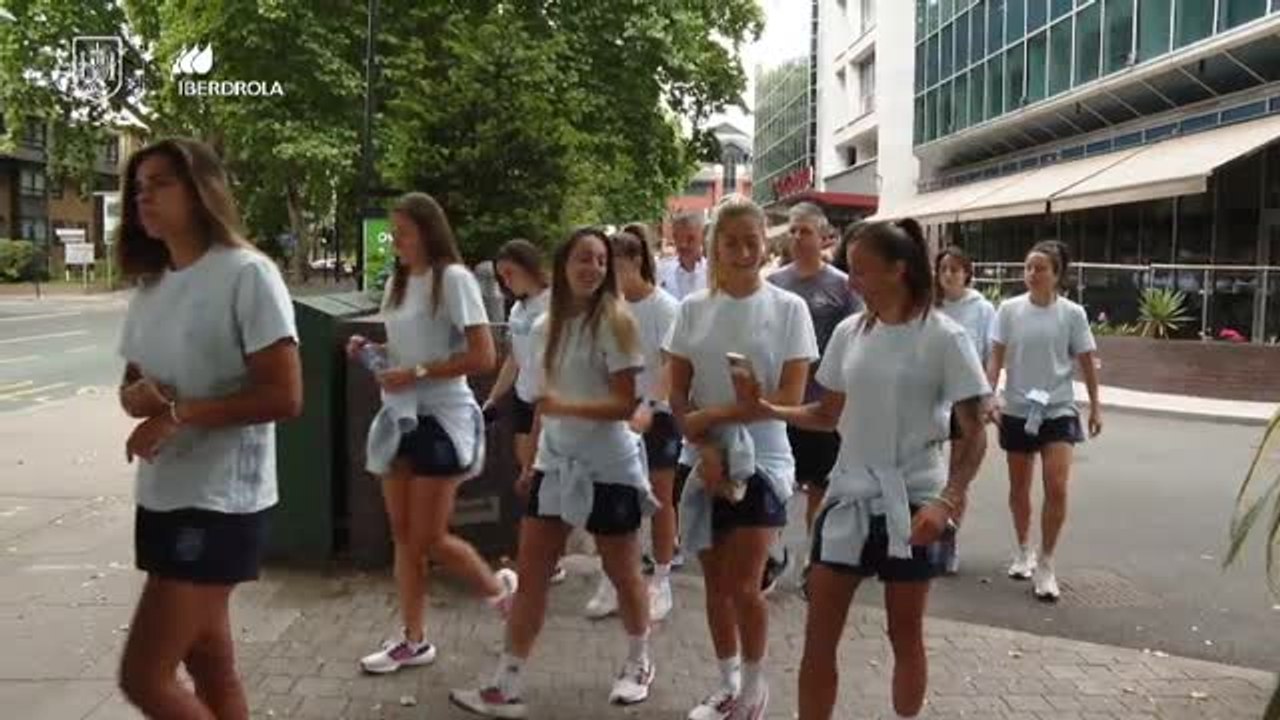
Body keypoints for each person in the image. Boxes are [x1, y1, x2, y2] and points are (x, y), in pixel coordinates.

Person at [758, 219, 989, 720]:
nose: (851, 280)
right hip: (848, 498)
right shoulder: (849, 332)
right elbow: (826, 414)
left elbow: (974, 433)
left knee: (904, 634)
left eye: (861, 270)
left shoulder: (946, 337)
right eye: (850, 270)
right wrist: (767, 409)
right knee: (818, 637)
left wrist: (946, 500)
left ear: (898, 270)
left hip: (912, 502)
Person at [114, 138, 303, 719]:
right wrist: (141, 399)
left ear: (202, 191)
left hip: (220, 501)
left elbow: (284, 395)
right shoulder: (152, 286)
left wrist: (179, 413)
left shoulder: (247, 274)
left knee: (145, 677)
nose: (145, 196)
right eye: (138, 187)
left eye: (161, 183)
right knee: (209, 662)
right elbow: (132, 389)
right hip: (165, 494)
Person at [451, 228, 658, 717]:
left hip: (609, 467)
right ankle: (507, 682)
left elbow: (625, 404)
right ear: (564, 265)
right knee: (533, 573)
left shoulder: (617, 322)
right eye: (584, 259)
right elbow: (542, 400)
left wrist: (567, 407)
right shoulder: (543, 327)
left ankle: (638, 661)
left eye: (602, 261)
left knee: (624, 571)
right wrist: (534, 460)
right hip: (555, 465)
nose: (594, 268)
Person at [348, 193, 518, 674]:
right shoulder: (399, 284)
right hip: (400, 414)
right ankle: (413, 638)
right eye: (393, 231)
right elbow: (403, 346)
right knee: (403, 536)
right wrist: (372, 350)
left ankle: (495, 588)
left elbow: (484, 355)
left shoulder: (454, 280)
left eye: (402, 231)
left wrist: (417, 373)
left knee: (427, 535)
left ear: (427, 231)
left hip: (442, 418)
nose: (395, 240)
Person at [665, 196, 817, 720]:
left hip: (766, 459)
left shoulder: (788, 309)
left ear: (765, 244)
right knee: (712, 584)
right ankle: (727, 681)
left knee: (743, 583)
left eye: (752, 241)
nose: (743, 251)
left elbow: (791, 400)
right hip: (701, 458)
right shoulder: (691, 310)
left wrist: (718, 416)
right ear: (715, 246)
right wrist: (704, 440)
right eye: (731, 242)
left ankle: (755, 686)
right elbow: (677, 399)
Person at [987, 240, 1102, 602]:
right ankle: (1024, 549)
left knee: (1057, 485)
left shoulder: (1072, 314)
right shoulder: (1008, 310)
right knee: (1019, 488)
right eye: (1028, 268)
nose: (1032, 274)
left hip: (1058, 409)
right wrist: (990, 396)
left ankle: (1047, 563)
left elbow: (1086, 361)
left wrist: (1096, 406)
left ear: (1057, 274)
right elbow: (996, 357)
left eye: (1040, 268)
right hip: (1018, 409)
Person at [579, 225, 682, 623]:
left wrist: (650, 405)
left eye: (612, 265)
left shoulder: (665, 307)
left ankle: (661, 578)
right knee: (613, 500)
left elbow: (672, 365)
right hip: (615, 417)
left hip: (657, 418)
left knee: (658, 498)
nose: (605, 274)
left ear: (636, 262)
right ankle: (616, 576)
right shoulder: (607, 309)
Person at [766, 203, 863, 597]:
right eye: (792, 231)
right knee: (777, 483)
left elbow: (856, 339)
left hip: (824, 406)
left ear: (824, 238)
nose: (797, 238)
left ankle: (813, 558)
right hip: (781, 403)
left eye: (805, 231)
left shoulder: (842, 287)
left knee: (820, 488)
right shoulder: (774, 283)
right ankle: (771, 554)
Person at [484, 239, 567, 586]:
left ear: (528, 268)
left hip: (548, 401)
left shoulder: (553, 306)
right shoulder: (517, 311)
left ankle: (548, 555)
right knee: (528, 475)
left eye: (509, 273)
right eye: (500, 276)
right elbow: (514, 360)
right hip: (522, 398)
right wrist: (491, 400)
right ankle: (538, 551)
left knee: (542, 475)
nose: (505, 281)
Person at [934, 245, 997, 575]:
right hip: (931, 397)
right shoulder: (931, 306)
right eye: (943, 269)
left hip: (967, 398)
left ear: (967, 273)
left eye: (955, 269)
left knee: (959, 473)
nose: (948, 275)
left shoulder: (982, 309)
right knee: (926, 471)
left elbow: (990, 353)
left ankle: (949, 538)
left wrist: (987, 396)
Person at [658, 211, 709, 301]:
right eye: (678, 238)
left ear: (702, 237)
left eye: (690, 238)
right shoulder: (662, 271)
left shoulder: (714, 273)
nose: (683, 244)